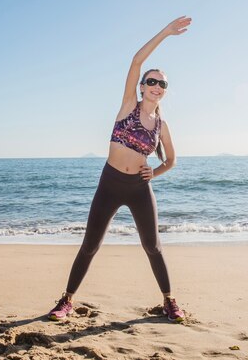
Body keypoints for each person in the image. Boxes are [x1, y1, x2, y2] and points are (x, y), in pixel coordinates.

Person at [47, 16, 192, 323]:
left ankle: (169, 301)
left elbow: (171, 160)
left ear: (165, 91)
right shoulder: (129, 105)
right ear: (141, 87)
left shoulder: (162, 126)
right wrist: (166, 32)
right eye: (151, 81)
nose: (156, 86)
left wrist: (154, 173)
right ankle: (66, 300)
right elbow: (136, 60)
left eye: (161, 83)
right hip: (110, 183)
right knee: (90, 245)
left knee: (153, 246)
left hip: (139, 188)